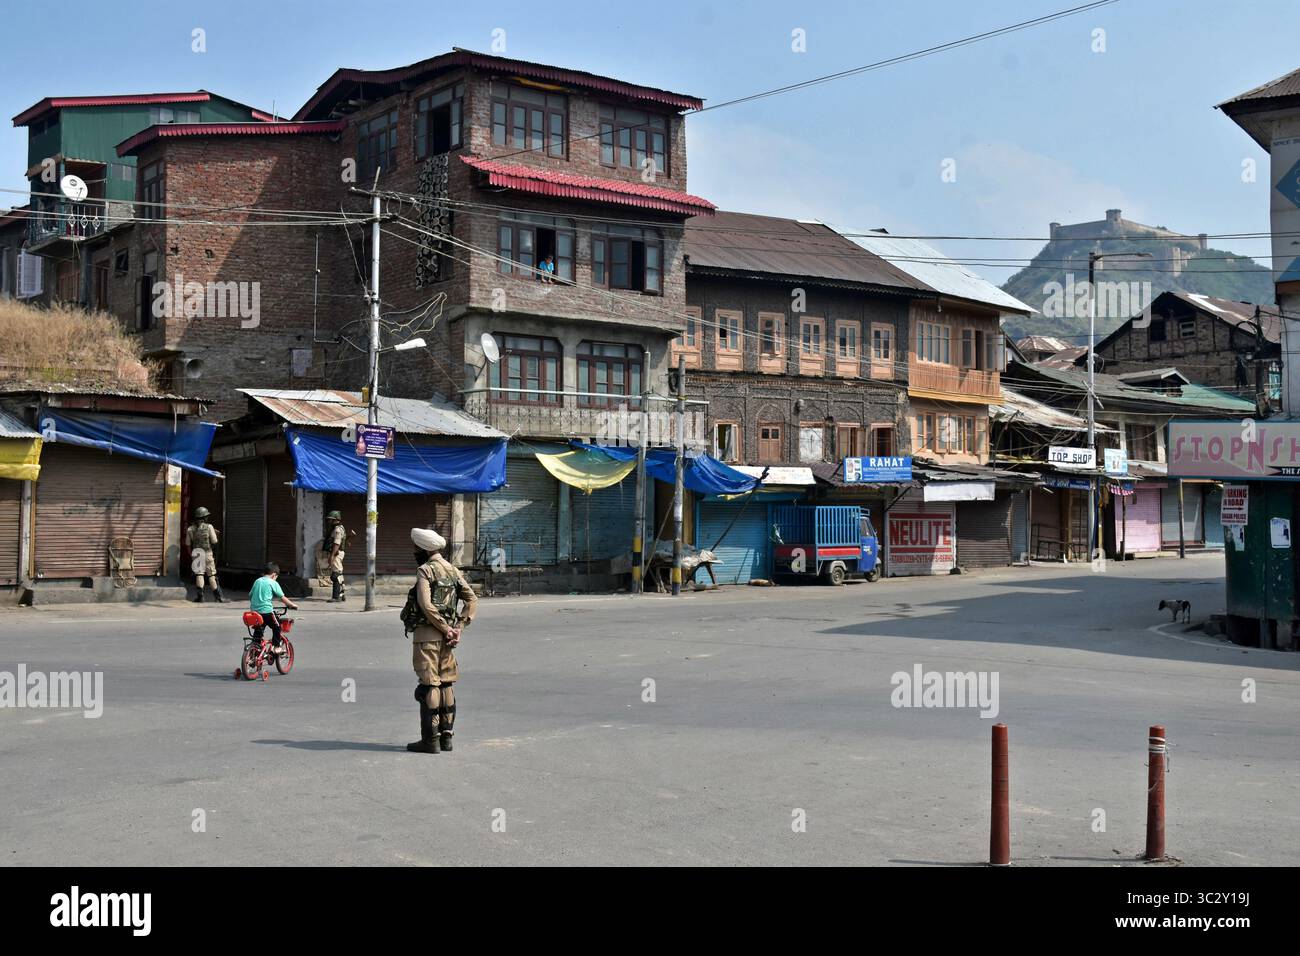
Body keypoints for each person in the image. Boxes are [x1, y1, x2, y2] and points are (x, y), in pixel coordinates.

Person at [407, 527, 477, 754]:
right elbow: (471, 599)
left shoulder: (425, 570)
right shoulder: (452, 570)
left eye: (416, 548)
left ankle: (430, 740)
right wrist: (459, 627)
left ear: (423, 549)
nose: (415, 551)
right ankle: (447, 738)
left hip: (428, 636)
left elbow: (426, 605)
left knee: (430, 684)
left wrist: (447, 628)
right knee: (446, 682)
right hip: (448, 639)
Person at [249, 562, 298, 654]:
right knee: (277, 626)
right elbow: (282, 597)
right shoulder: (272, 582)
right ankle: (276, 647)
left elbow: (250, 595)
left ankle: (254, 650)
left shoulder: (257, 581)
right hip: (266, 612)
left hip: (254, 612)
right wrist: (291, 605)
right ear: (274, 575)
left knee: (258, 629)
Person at [185, 506, 224, 603]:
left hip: (196, 553)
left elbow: (188, 544)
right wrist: (215, 533)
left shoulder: (190, 529)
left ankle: (200, 597)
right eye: (206, 516)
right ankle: (217, 596)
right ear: (203, 517)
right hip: (207, 553)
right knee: (211, 575)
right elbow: (214, 541)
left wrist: (192, 555)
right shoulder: (209, 527)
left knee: (199, 574)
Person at [326, 510, 348, 602]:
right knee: (339, 574)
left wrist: (331, 556)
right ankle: (342, 594)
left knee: (335, 575)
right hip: (338, 553)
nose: (329, 521)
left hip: (337, 553)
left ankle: (336, 597)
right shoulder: (341, 528)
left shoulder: (337, 529)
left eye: (330, 519)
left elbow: (336, 543)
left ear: (335, 520)